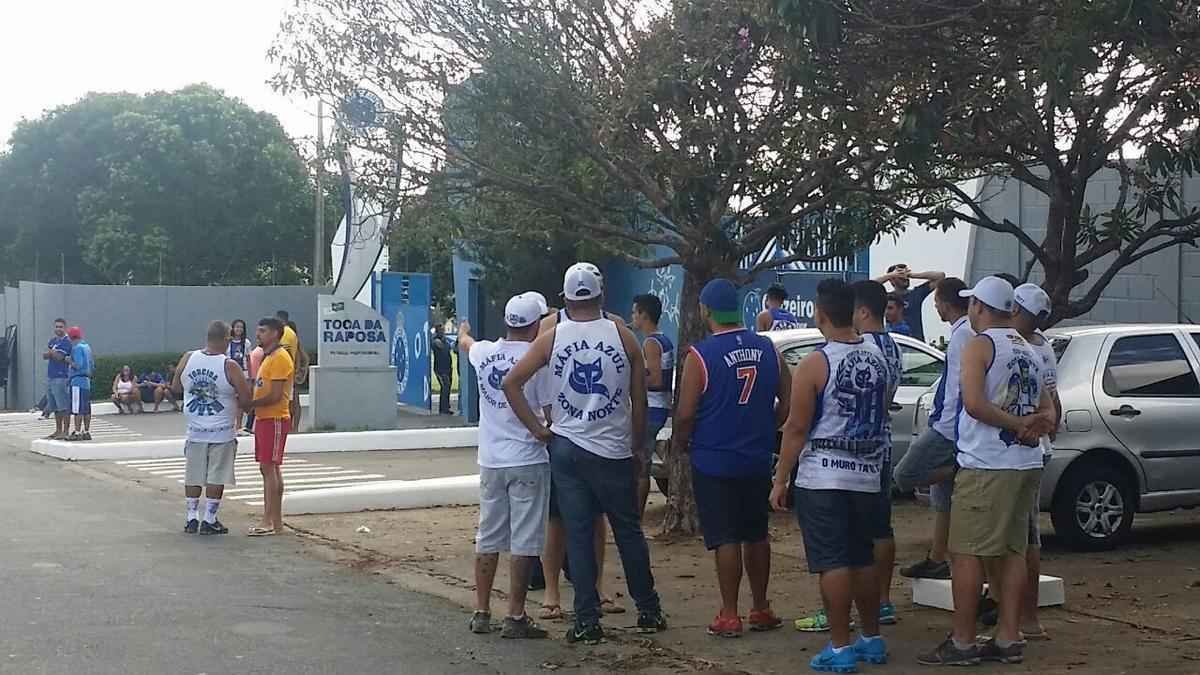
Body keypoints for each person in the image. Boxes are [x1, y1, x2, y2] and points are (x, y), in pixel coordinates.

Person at [503, 262, 667, 645]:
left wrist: (538, 429)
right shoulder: (624, 336)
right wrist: (639, 446)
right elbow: (639, 399)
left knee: (577, 534)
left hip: (567, 448)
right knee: (627, 531)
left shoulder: (550, 338)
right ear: (601, 295)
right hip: (613, 451)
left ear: (564, 299)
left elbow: (512, 383)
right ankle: (648, 609)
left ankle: (587, 619)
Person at [917, 276, 1056, 666]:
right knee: (1012, 551)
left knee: (965, 554)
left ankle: (962, 641)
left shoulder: (981, 346)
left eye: (972, 304)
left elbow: (974, 404)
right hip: (1025, 463)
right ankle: (1009, 636)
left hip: (988, 464)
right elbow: (1049, 410)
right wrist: (1032, 426)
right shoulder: (1028, 347)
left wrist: (1014, 425)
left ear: (979, 306)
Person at [770, 278, 891, 672]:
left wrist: (780, 477)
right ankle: (871, 638)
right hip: (868, 473)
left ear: (820, 315)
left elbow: (796, 427)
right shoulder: (877, 356)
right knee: (864, 558)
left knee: (833, 562)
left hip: (824, 476)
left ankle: (840, 646)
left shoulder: (816, 363)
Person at [673, 278, 789, 637]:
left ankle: (729, 613)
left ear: (706, 310)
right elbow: (788, 399)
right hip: (755, 457)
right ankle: (760, 606)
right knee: (756, 534)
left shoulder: (700, 356)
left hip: (714, 459)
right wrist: (768, 428)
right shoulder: (769, 349)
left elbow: (686, 412)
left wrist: (681, 442)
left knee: (725, 537)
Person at [458, 294, 552, 639]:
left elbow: (466, 344)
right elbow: (549, 410)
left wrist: (464, 331)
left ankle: (481, 611)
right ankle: (515, 614)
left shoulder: (484, 353)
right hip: (527, 457)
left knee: (489, 535)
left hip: (491, 460)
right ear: (534, 324)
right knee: (525, 541)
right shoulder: (536, 359)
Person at [536, 272, 626, 619]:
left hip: (597, 439)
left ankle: (596, 589)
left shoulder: (613, 327)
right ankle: (553, 593)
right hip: (568, 434)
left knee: (594, 519)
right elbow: (532, 374)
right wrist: (544, 419)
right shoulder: (551, 326)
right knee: (559, 521)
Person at [894, 278, 971, 581]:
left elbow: (962, 386)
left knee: (904, 476)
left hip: (949, 426)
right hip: (949, 421)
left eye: (937, 301)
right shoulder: (961, 332)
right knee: (943, 501)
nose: (935, 306)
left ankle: (958, 469)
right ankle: (938, 557)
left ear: (947, 302)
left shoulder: (965, 334)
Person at [1010, 283, 1061, 641]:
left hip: (1020, 448)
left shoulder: (1019, 346)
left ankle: (1025, 618)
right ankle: (1021, 614)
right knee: (1027, 536)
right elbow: (1054, 404)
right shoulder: (1043, 346)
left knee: (1023, 538)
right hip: (1038, 447)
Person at [171, 321, 253, 536]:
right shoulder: (229, 365)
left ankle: (191, 518)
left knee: (194, 474)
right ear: (227, 339)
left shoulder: (188, 358)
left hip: (195, 428)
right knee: (217, 475)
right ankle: (209, 519)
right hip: (222, 430)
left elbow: (176, 387)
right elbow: (246, 398)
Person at [244, 317, 295, 537]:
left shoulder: (280, 358)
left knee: (269, 468)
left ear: (275, 333)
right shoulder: (269, 357)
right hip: (265, 418)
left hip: (274, 418)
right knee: (270, 468)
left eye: (263, 331)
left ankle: (269, 520)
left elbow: (275, 395)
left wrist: (251, 404)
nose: (259, 334)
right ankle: (276, 521)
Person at [630, 293, 674, 517]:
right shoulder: (663, 339)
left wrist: (632, 380)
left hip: (652, 409)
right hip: (659, 407)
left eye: (634, 312)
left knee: (639, 463)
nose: (632, 317)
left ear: (643, 315)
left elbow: (655, 380)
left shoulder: (650, 342)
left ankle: (635, 515)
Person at [875, 264, 945, 341]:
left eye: (906, 276)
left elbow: (940, 276)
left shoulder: (916, 293)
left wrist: (912, 275)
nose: (905, 279)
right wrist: (890, 275)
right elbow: (868, 286)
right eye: (901, 276)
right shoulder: (887, 297)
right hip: (894, 341)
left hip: (916, 344)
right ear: (892, 280)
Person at [43, 318, 72, 439]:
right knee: (54, 405)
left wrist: (51, 353)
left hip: (61, 376)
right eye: (56, 327)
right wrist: (51, 353)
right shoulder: (53, 341)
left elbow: (60, 357)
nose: (58, 329)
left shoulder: (66, 342)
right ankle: (58, 430)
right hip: (51, 376)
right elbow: (45, 355)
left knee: (63, 405)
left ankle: (65, 430)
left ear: (65, 328)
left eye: (60, 327)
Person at [66, 326, 94, 441]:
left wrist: (69, 361)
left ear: (71, 337)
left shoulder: (76, 348)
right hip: (87, 381)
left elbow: (78, 365)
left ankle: (77, 432)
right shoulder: (87, 347)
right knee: (86, 408)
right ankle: (86, 431)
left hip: (77, 381)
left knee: (77, 408)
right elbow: (91, 365)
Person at [433, 323, 454, 414]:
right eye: (441, 330)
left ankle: (445, 407)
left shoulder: (444, 340)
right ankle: (443, 409)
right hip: (440, 369)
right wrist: (445, 341)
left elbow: (450, 347)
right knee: (445, 387)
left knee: (447, 387)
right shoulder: (436, 341)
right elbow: (443, 347)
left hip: (447, 367)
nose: (443, 332)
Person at [245, 338, 265, 433]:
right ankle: (250, 425)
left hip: (256, 379)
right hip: (256, 379)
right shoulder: (261, 351)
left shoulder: (260, 351)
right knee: (255, 403)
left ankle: (250, 425)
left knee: (255, 403)